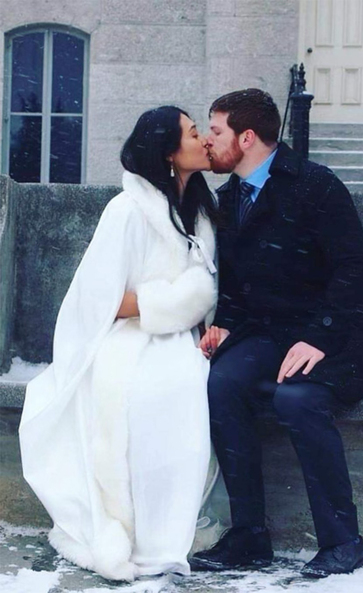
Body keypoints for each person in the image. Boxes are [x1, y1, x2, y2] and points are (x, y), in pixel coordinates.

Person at [18, 106, 219, 581]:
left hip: (181, 338)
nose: (205, 140)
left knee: (192, 382)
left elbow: (213, 288)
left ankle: (171, 524)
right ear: (170, 152)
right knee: (151, 390)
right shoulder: (126, 209)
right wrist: (185, 301)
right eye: (194, 133)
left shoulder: (203, 210)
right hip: (128, 338)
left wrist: (203, 316)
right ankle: (126, 526)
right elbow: (104, 299)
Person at [189, 89, 363, 579]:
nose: (209, 142)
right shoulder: (228, 197)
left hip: (332, 339)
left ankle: (343, 542)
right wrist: (224, 322)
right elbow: (233, 282)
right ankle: (250, 535)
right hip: (267, 336)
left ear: (246, 137)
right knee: (220, 384)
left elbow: (356, 269)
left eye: (216, 131)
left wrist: (319, 335)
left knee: (296, 400)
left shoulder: (314, 185)